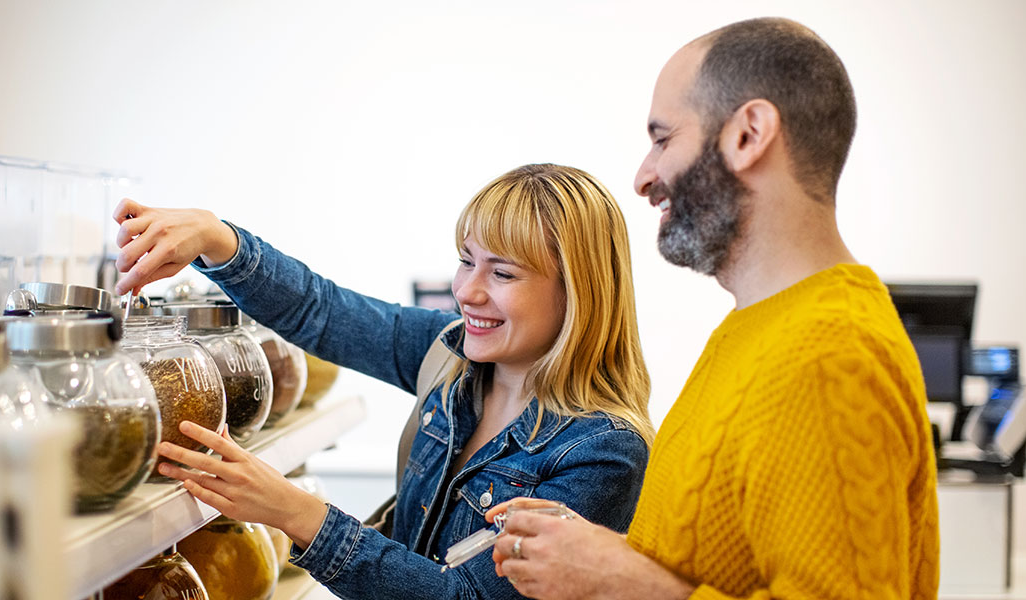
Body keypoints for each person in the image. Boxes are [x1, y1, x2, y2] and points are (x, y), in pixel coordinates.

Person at [487, 17, 939, 600]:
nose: (644, 177)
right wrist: (599, 554)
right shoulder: (757, 327)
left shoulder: (829, 357)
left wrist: (626, 584)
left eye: (663, 138)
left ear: (748, 134)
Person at [111, 163, 654, 600]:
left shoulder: (604, 453)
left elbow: (463, 597)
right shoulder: (450, 355)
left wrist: (292, 511)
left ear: (579, 292)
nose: (468, 291)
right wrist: (218, 240)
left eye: (503, 273)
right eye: (466, 262)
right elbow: (321, 311)